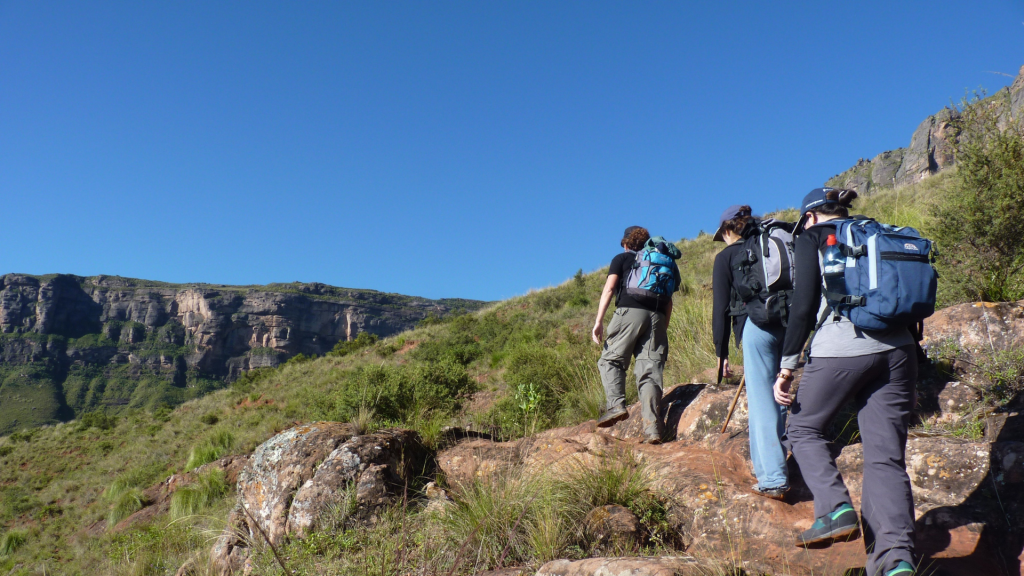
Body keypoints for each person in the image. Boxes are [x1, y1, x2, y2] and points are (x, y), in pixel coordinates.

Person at [773, 188, 918, 576]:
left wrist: (787, 366)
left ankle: (836, 508)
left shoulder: (812, 238)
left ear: (810, 217)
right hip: (900, 351)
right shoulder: (877, 231)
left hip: (841, 348)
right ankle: (896, 563)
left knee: (802, 428)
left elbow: (803, 306)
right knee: (886, 458)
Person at [711, 205, 789, 500]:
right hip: (792, 323)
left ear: (728, 230)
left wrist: (722, 352)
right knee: (780, 394)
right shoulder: (770, 246)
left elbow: (720, 308)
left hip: (757, 328)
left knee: (762, 402)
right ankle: (778, 462)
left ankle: (773, 478)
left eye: (723, 235)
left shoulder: (726, 256)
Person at [592, 226, 680, 444]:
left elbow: (610, 289)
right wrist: (662, 327)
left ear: (625, 243)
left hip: (629, 312)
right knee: (650, 373)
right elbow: (669, 301)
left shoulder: (622, 259)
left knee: (610, 360)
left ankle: (616, 405)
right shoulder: (661, 261)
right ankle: (652, 431)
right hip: (657, 316)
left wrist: (598, 321)